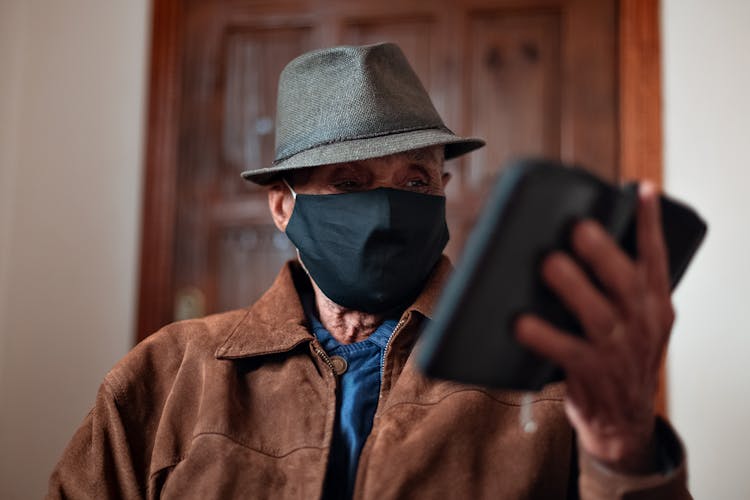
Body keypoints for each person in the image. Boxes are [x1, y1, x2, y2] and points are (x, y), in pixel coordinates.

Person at [48, 43, 689, 499]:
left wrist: (626, 454)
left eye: (415, 179)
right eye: (348, 183)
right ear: (282, 205)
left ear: (442, 187)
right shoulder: (168, 376)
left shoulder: (543, 383)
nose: (386, 209)